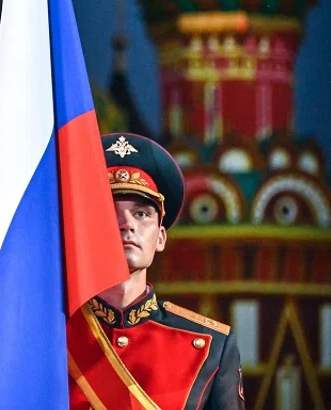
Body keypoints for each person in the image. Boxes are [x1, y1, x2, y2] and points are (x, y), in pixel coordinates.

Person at [67, 133, 245, 409]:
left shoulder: (211, 346)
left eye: (141, 214)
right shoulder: (53, 337)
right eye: (107, 212)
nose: (126, 224)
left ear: (160, 237)